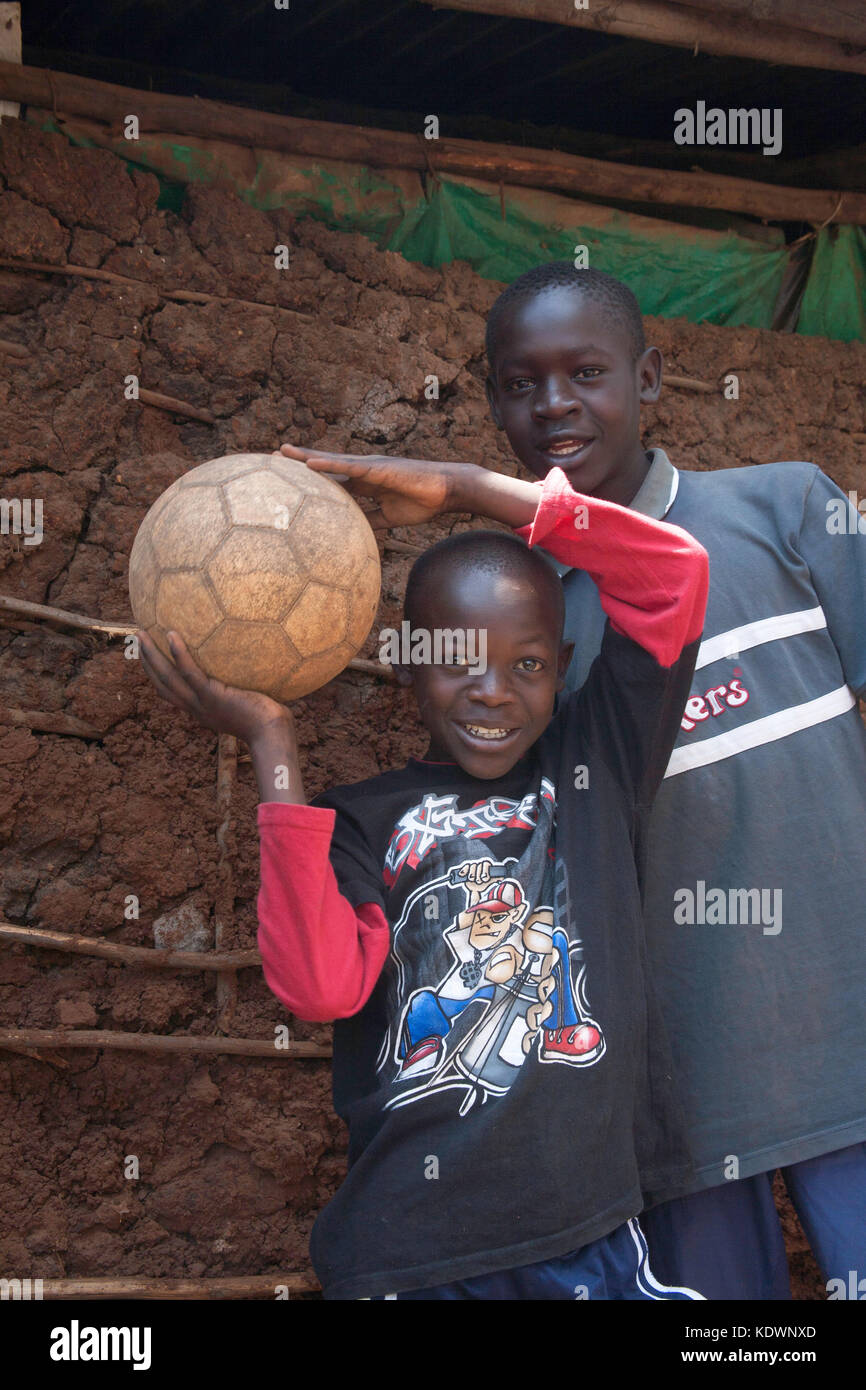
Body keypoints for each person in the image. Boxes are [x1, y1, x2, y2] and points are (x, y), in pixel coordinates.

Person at [280, 262, 866, 1300]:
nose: (553, 404)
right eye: (519, 382)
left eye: (585, 372)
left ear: (649, 379)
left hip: (846, 1039)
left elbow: (666, 568)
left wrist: (462, 483)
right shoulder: (521, 618)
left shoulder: (789, 508)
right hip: (673, 1100)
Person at [138, 459, 709, 1300]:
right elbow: (321, 987)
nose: (494, 693)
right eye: (459, 662)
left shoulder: (597, 766)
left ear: (565, 666)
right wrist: (271, 745)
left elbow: (674, 571)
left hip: (583, 1239)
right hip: (409, 1254)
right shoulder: (361, 820)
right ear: (406, 666)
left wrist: (466, 487)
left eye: (528, 666)